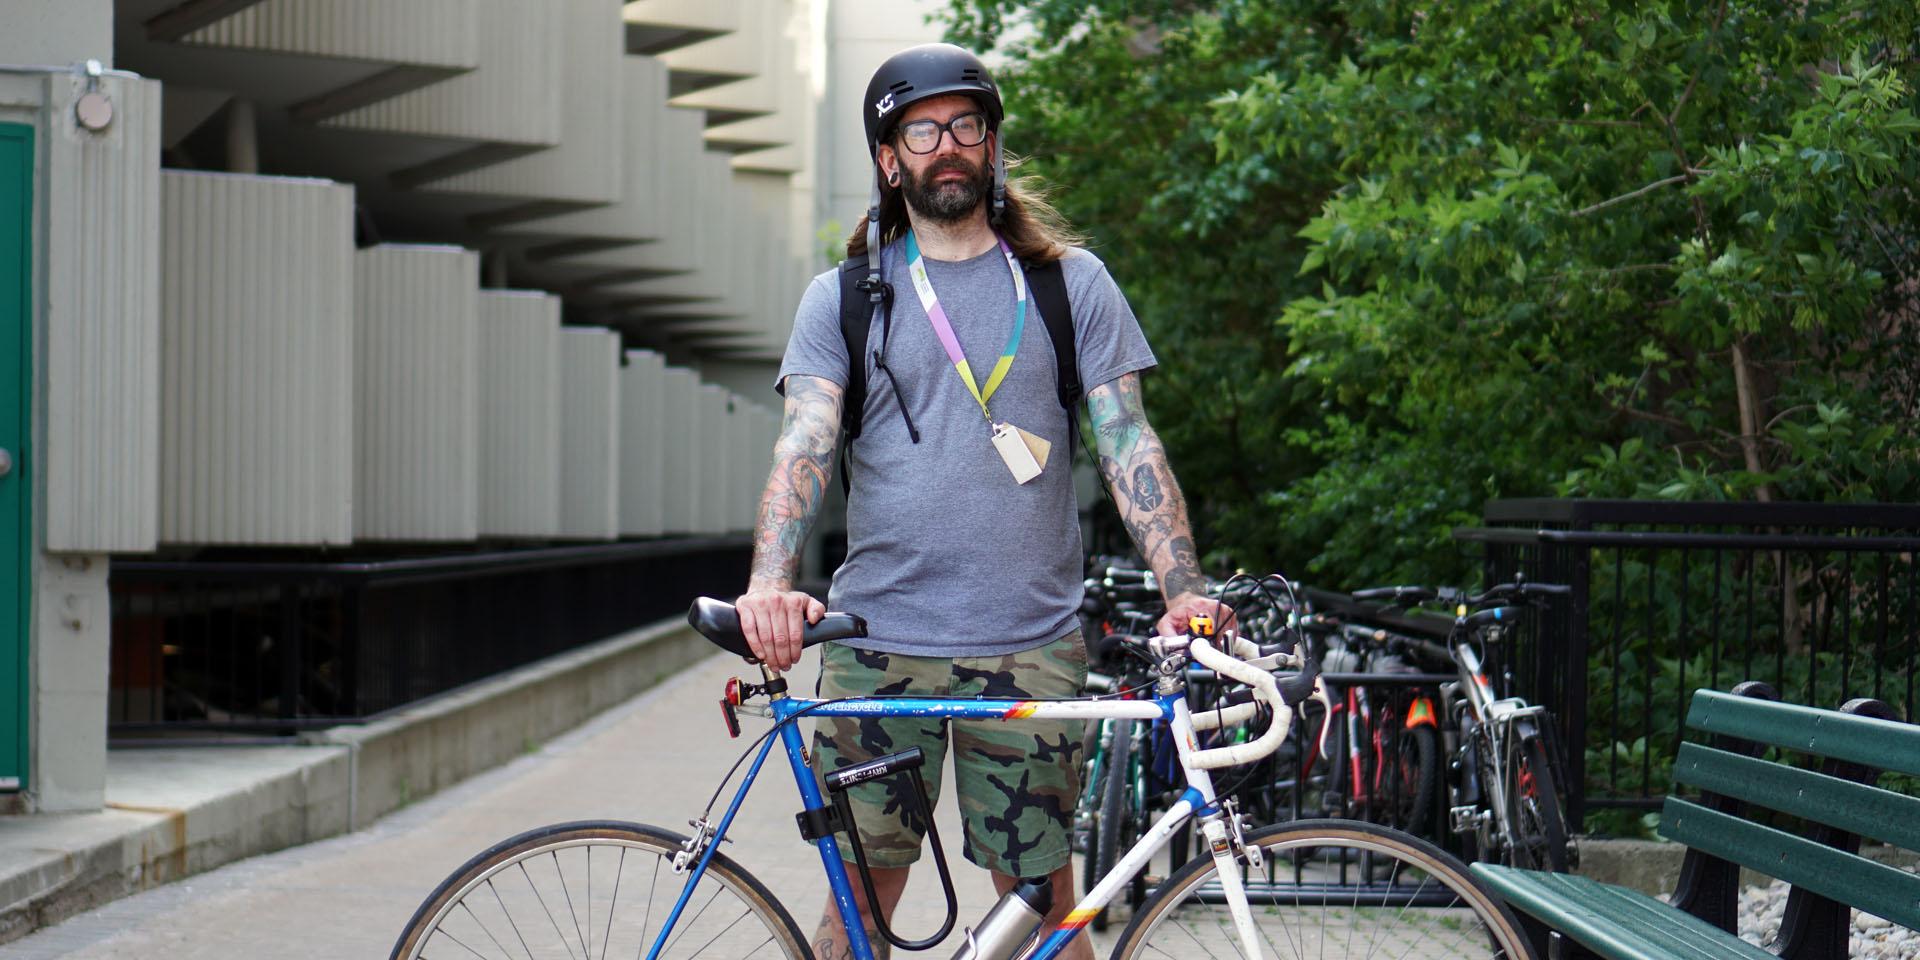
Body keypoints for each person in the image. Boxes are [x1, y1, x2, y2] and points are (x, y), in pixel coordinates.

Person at [734, 42, 1227, 960]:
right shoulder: (844, 297)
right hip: (878, 646)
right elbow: (803, 441)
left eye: (965, 125)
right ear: (891, 160)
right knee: (862, 902)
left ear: (991, 145)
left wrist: (1182, 588)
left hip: (1031, 647)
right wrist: (771, 580)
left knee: (1042, 907)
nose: (946, 145)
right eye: (922, 131)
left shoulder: (1069, 284)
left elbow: (1127, 441)